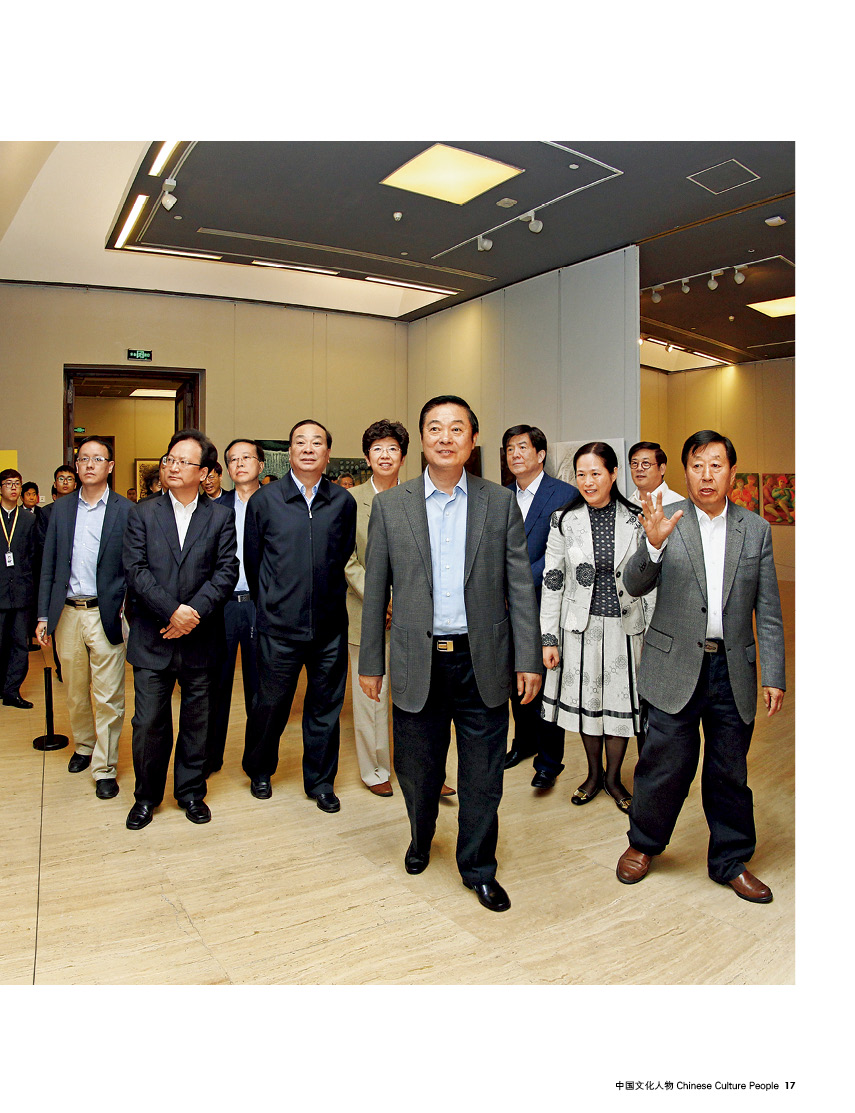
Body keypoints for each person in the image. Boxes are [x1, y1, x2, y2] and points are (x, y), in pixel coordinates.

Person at [358, 395, 541, 913]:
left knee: (483, 775)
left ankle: (478, 867)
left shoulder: (498, 502)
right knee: (417, 769)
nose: (445, 437)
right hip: (418, 660)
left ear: (473, 440)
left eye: (456, 428)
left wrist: (527, 659)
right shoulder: (392, 506)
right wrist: (371, 663)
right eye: (435, 428)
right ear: (422, 439)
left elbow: (519, 586)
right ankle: (421, 836)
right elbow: (376, 590)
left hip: (482, 660)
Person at [616, 429, 786, 904]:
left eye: (716, 465)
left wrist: (774, 674)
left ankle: (731, 861)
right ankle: (644, 844)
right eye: (697, 465)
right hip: (674, 666)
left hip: (732, 669)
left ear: (732, 472)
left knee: (729, 772)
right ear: (685, 472)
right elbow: (634, 584)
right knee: (663, 766)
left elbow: (768, 611)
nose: (706, 474)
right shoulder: (665, 519)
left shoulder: (756, 529)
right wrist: (652, 547)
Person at [122, 430, 238, 830]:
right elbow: (135, 570)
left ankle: (190, 792)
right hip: (153, 636)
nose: (172, 467)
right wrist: (173, 612)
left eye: (183, 462)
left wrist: (193, 613)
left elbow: (226, 571)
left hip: (201, 637)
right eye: (169, 459)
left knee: (197, 721)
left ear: (204, 472)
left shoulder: (220, 516)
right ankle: (146, 797)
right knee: (148, 723)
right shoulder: (142, 513)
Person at [242, 420, 356, 813]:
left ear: (327, 453)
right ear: (289, 451)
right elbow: (254, 561)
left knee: (325, 711)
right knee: (269, 705)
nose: (308, 448)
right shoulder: (265, 500)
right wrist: (271, 605)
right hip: (278, 628)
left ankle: (321, 782)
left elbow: (342, 557)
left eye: (317, 442)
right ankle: (260, 770)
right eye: (300, 442)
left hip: (329, 628)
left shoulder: (342, 502)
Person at [344, 419, 455, 800]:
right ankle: (375, 769)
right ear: (367, 457)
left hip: (416, 616)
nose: (385, 455)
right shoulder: (350, 501)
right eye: (377, 449)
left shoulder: (421, 497)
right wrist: (380, 598)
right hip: (365, 613)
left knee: (422, 699)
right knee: (371, 700)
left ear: (403, 457)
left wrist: (403, 599)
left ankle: (428, 771)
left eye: (392, 449)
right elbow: (347, 560)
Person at [540, 442, 645, 814]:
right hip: (578, 630)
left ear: (613, 474)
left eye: (595, 473)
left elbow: (651, 579)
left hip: (625, 628)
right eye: (581, 474)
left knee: (618, 704)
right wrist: (549, 638)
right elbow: (553, 579)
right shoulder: (564, 520)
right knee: (589, 704)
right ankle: (593, 774)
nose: (587, 481)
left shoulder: (636, 518)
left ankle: (614, 779)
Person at [36, 439, 132, 798]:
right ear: (76, 466)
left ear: (110, 466)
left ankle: (104, 766)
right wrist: (43, 615)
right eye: (83, 459)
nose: (89, 464)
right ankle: (84, 745)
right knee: (75, 692)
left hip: (106, 613)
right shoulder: (60, 510)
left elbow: (134, 566)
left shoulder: (127, 510)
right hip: (67, 614)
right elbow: (48, 566)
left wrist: (128, 608)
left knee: (109, 695)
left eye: (97, 459)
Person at [502, 424, 577, 788]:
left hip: (544, 603)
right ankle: (524, 743)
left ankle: (549, 762)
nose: (515, 454)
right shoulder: (500, 495)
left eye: (522, 447)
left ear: (541, 454)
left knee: (548, 684)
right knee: (515, 677)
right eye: (509, 449)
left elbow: (560, 553)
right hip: (505, 608)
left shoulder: (564, 494)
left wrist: (514, 583)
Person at [204, 438, 265, 778]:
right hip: (222, 607)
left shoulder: (275, 504)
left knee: (260, 690)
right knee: (215, 688)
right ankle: (209, 759)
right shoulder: (215, 507)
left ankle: (258, 767)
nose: (239, 464)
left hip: (260, 606)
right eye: (232, 459)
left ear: (260, 464)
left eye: (246, 457)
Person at [627, 441, 684, 634]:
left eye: (646, 463)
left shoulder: (679, 506)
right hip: (630, 601)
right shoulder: (624, 505)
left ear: (662, 468)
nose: (639, 469)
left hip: (666, 600)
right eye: (634, 464)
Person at [0, 470, 38, 708]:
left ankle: (12, 690)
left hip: (22, 592)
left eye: (17, 484)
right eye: (8, 484)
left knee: (20, 644)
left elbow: (34, 555)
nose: (14, 488)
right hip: (0, 590)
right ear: (0, 488)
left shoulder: (28, 519)